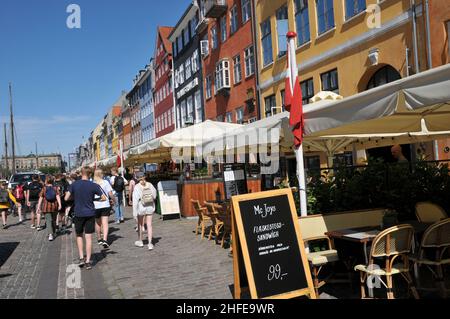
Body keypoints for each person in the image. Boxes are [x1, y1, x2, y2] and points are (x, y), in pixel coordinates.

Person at [65, 167, 106, 270]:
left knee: (79, 235)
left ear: (81, 174)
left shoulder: (74, 184)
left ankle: (81, 257)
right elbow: (104, 198)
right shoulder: (94, 185)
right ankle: (88, 261)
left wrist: (75, 197)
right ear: (90, 174)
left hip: (78, 213)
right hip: (90, 213)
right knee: (88, 237)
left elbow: (66, 198)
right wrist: (93, 198)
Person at [132, 173, 157, 250]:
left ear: (137, 178)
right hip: (150, 206)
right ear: (145, 177)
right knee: (149, 225)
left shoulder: (137, 187)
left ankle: (140, 241)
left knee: (140, 224)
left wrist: (134, 212)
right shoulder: (150, 185)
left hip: (141, 206)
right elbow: (155, 196)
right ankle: (150, 243)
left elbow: (135, 200)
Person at [93, 169, 114, 249]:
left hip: (96, 205)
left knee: (98, 223)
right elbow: (110, 193)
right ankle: (105, 240)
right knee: (105, 223)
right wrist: (114, 200)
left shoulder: (92, 183)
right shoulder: (105, 182)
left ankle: (99, 239)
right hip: (105, 204)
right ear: (101, 174)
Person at [36, 175, 62, 241]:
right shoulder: (55, 188)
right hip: (54, 207)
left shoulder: (44, 188)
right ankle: (53, 232)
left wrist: (38, 207)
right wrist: (60, 204)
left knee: (48, 220)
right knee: (53, 220)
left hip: (45, 207)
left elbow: (41, 198)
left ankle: (50, 234)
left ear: (46, 181)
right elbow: (58, 196)